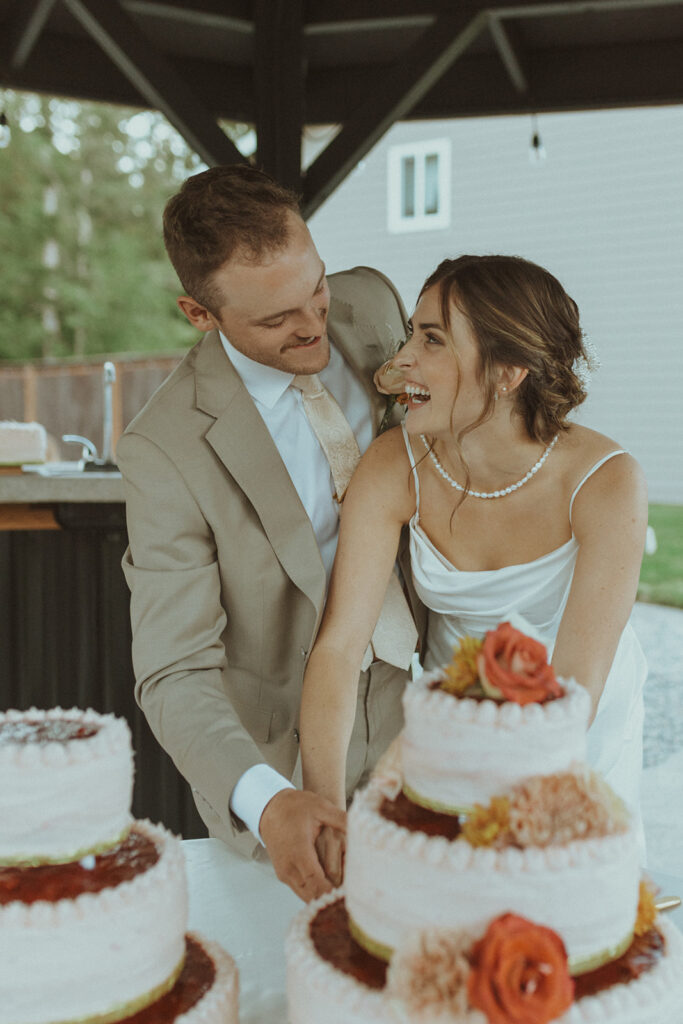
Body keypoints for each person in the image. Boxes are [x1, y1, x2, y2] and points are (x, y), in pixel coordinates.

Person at [117, 164, 420, 903]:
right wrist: (269, 801)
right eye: (275, 318)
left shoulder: (373, 304)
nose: (313, 323)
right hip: (293, 770)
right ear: (199, 313)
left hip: (437, 719)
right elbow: (173, 671)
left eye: (313, 287)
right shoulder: (164, 447)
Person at [300, 253, 648, 865]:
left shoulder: (606, 481)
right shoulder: (394, 466)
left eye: (432, 339)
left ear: (508, 370)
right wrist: (326, 808)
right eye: (412, 331)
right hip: (447, 731)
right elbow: (337, 648)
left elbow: (575, 695)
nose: (402, 358)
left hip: (576, 727)